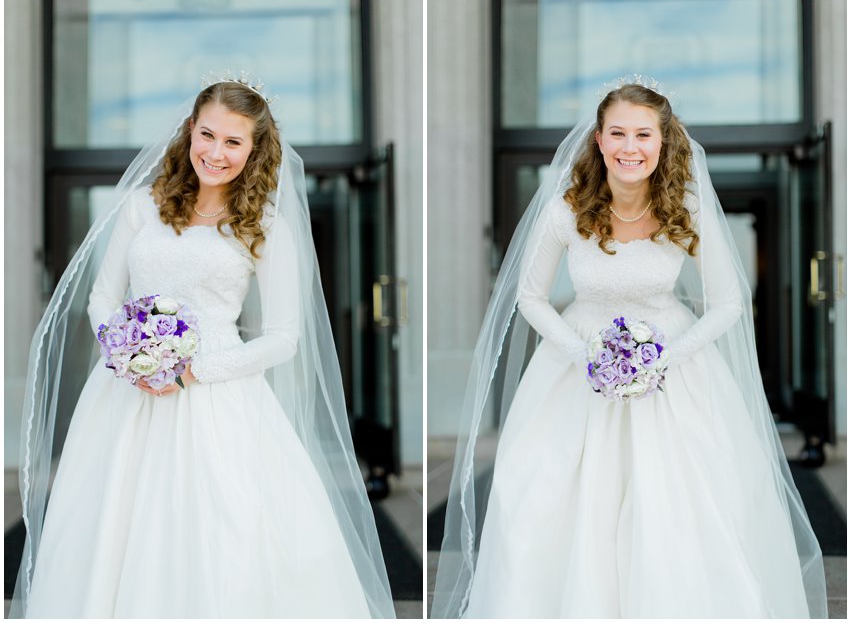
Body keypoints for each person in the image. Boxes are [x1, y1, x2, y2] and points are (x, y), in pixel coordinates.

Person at [431, 80, 827, 618]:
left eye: (643, 134)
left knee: (678, 509)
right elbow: (530, 297)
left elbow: (729, 304)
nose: (629, 146)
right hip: (576, 373)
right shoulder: (565, 212)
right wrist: (583, 354)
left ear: (663, 143)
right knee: (546, 504)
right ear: (598, 140)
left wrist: (665, 355)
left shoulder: (686, 210)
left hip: (673, 372)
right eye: (617, 133)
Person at [11, 78, 395, 618]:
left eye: (233, 142)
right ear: (191, 130)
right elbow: (102, 298)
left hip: (217, 393)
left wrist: (192, 372)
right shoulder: (141, 209)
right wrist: (126, 353)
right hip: (126, 392)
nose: (215, 152)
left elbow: (284, 338)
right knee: (114, 524)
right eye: (207, 135)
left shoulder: (264, 226)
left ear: (255, 150)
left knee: (221, 526)